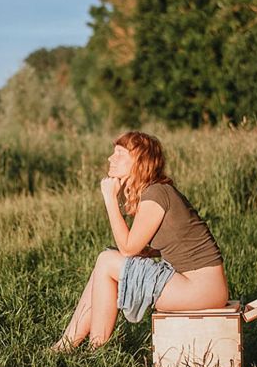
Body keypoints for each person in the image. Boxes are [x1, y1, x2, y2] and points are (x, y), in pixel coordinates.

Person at [52, 131, 229, 351]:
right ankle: (65, 345)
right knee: (105, 261)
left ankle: (95, 349)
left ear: (138, 161)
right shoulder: (155, 192)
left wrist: (109, 199)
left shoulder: (156, 194)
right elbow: (169, 242)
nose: (110, 158)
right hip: (196, 286)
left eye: (119, 153)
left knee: (107, 260)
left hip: (201, 290)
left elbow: (127, 249)